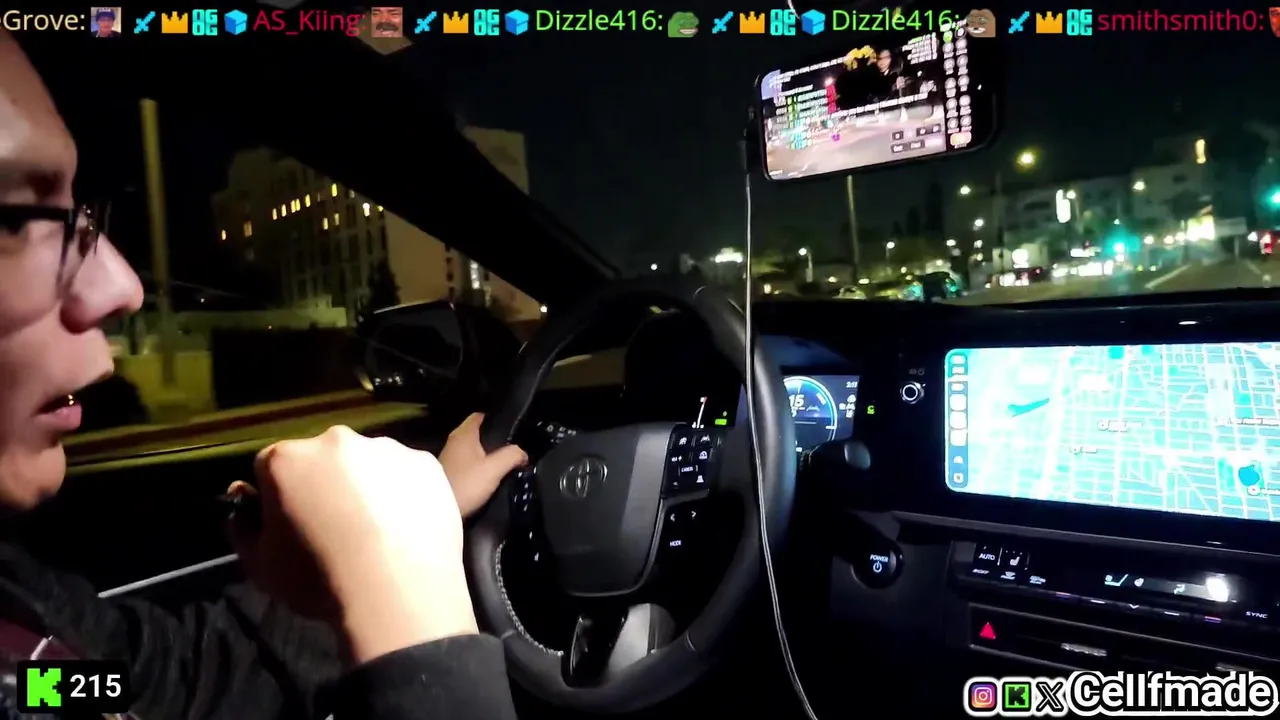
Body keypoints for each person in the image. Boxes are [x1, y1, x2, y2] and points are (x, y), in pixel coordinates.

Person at [0, 29, 527, 719]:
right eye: (15, 220)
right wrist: (423, 650)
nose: (122, 287)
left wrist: (393, 549)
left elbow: (155, 683)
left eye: (79, 217)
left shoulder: (23, 647)